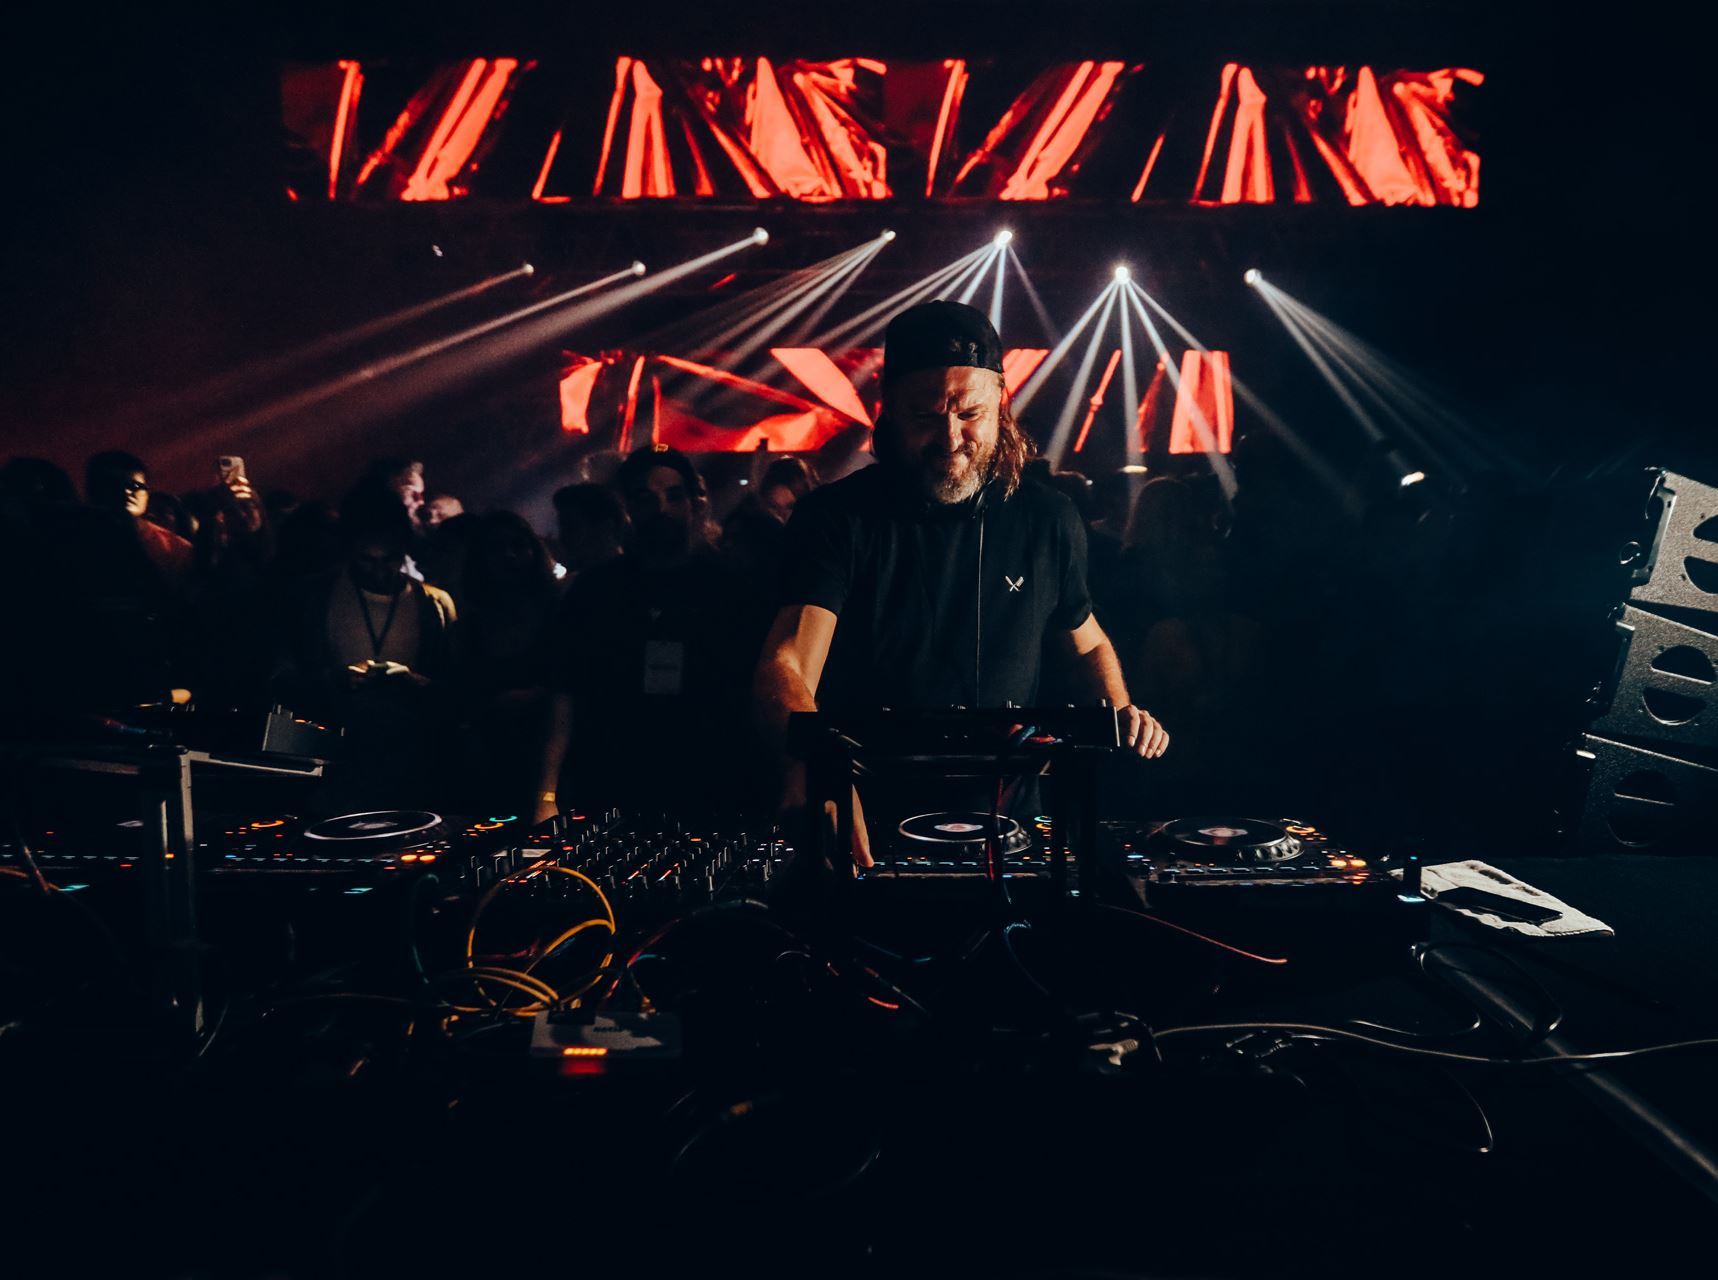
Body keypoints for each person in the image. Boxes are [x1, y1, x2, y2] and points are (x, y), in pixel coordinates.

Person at [753, 301, 1168, 866]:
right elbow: (786, 662)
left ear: (1001, 403)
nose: (950, 437)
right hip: (871, 832)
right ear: (888, 411)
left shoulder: (1048, 518)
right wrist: (815, 765)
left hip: (1011, 835)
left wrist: (1116, 712)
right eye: (925, 416)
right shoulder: (836, 519)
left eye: (969, 413)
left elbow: (1085, 639)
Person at [532, 446, 770, 821]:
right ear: (628, 506)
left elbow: (757, 697)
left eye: (674, 496)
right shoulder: (595, 590)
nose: (661, 509)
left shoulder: (731, 589)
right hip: (612, 784)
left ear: (693, 503)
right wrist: (547, 792)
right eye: (646, 497)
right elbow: (565, 694)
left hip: (711, 787)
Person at [85, 450, 194, 584]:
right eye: (113, 485)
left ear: (148, 492)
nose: (126, 492)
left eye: (135, 486)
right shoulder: (74, 540)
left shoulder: (175, 549)